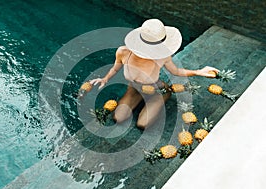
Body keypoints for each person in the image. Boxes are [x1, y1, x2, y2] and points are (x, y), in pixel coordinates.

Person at [90, 19, 218, 129]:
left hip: (157, 89)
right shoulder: (123, 52)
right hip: (134, 88)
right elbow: (115, 68)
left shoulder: (162, 56)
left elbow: (177, 71)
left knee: (142, 124)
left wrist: (199, 72)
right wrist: (105, 79)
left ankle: (165, 93)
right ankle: (138, 97)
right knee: (119, 117)